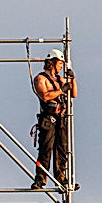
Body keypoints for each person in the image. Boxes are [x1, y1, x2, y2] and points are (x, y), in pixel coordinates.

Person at [30, 49, 77, 190]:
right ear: (53, 62)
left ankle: (61, 177)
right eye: (60, 63)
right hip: (48, 118)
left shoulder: (60, 80)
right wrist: (62, 90)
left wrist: (72, 79)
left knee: (62, 149)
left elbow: (74, 94)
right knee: (46, 148)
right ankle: (40, 178)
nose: (61, 66)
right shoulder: (41, 79)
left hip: (61, 118)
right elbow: (45, 96)